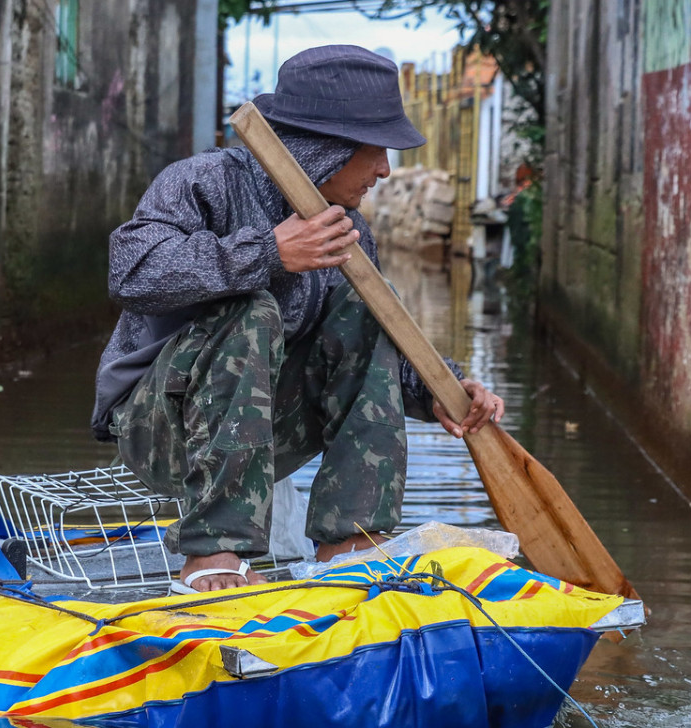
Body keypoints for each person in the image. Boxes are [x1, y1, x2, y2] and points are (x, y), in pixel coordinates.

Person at [91, 45, 505, 593]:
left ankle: (351, 541)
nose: (385, 169)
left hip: (264, 434)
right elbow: (131, 271)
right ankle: (212, 555)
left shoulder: (349, 231)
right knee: (251, 307)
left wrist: (440, 389)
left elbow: (374, 352)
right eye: (375, 149)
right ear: (326, 149)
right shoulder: (203, 181)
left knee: (368, 303)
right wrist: (267, 253)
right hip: (162, 430)